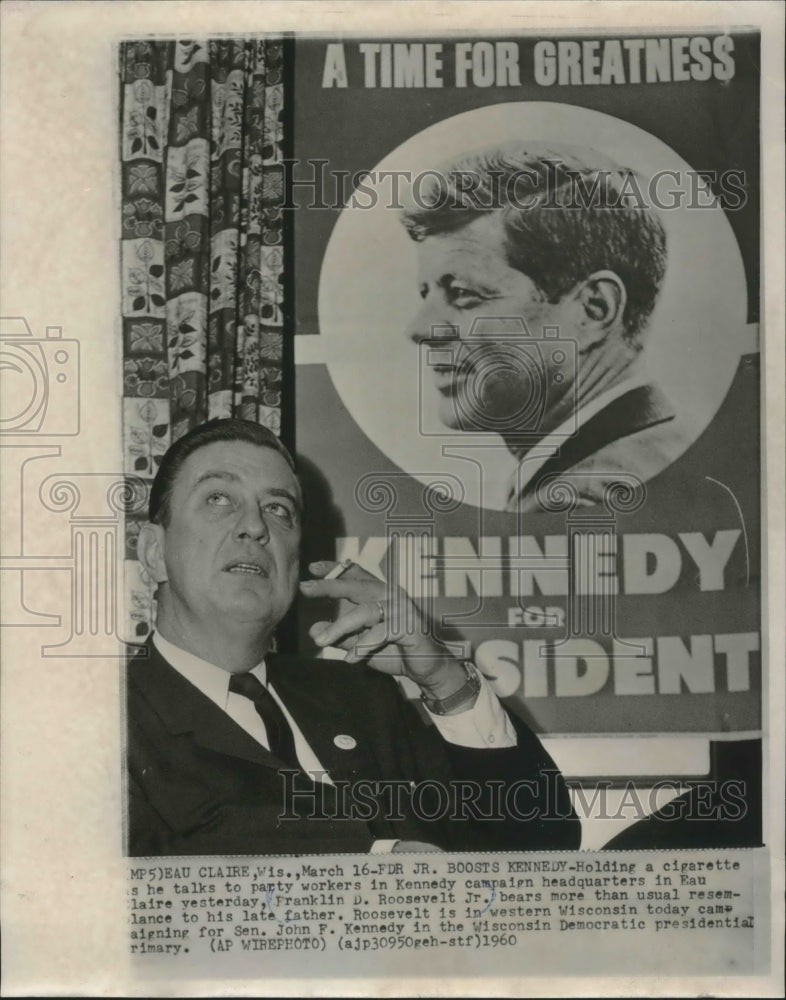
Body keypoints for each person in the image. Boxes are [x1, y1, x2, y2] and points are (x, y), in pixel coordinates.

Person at [126, 418, 580, 856]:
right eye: (219, 499)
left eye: (278, 509)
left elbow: (543, 843)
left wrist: (444, 680)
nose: (256, 526)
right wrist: (379, 861)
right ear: (154, 552)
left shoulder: (361, 700)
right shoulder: (103, 723)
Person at [401, 141, 693, 512]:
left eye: (461, 294)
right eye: (425, 294)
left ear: (593, 309)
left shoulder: (574, 500)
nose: (420, 329)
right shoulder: (667, 446)